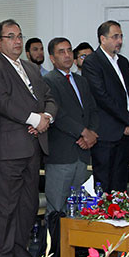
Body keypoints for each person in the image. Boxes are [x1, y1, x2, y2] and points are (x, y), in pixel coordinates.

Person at [0, 19, 57, 257]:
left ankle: (19, 251)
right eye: (11, 36)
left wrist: (47, 118)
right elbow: (1, 102)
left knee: (28, 203)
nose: (17, 41)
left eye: (20, 36)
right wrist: (35, 119)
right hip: (9, 148)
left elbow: (49, 98)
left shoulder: (31, 68)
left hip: (33, 145)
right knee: (6, 204)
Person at [83, 20, 129, 193]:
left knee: (120, 184)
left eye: (121, 36)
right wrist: (128, 120)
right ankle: (104, 220)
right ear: (102, 39)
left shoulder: (123, 61)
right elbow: (102, 97)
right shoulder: (92, 62)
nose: (120, 41)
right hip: (106, 133)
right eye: (115, 36)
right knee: (105, 184)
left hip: (125, 133)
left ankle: (119, 218)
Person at [42, 37, 98, 212]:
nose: (67, 55)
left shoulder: (81, 81)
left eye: (69, 50)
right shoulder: (48, 80)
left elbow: (93, 110)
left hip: (82, 153)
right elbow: (58, 114)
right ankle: (55, 241)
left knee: (79, 208)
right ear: (52, 58)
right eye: (61, 52)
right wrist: (83, 132)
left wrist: (92, 134)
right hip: (61, 155)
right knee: (57, 208)